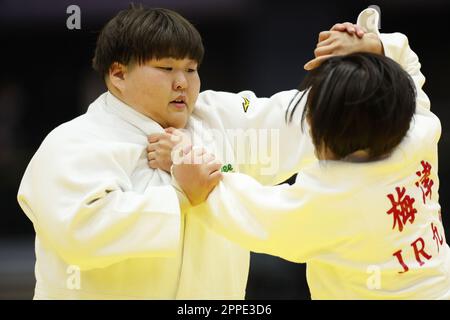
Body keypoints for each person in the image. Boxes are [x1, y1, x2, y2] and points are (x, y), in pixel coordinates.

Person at [17, 5, 394, 299]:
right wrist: (180, 196)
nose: (182, 82)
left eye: (191, 69)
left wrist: (370, 55)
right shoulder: (72, 142)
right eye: (166, 68)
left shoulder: (220, 117)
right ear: (118, 74)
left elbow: (303, 115)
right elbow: (81, 235)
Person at [173, 50, 450, 298]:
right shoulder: (418, 132)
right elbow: (410, 69)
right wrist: (375, 43)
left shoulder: (337, 199)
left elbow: (252, 211)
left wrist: (185, 159)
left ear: (321, 131)